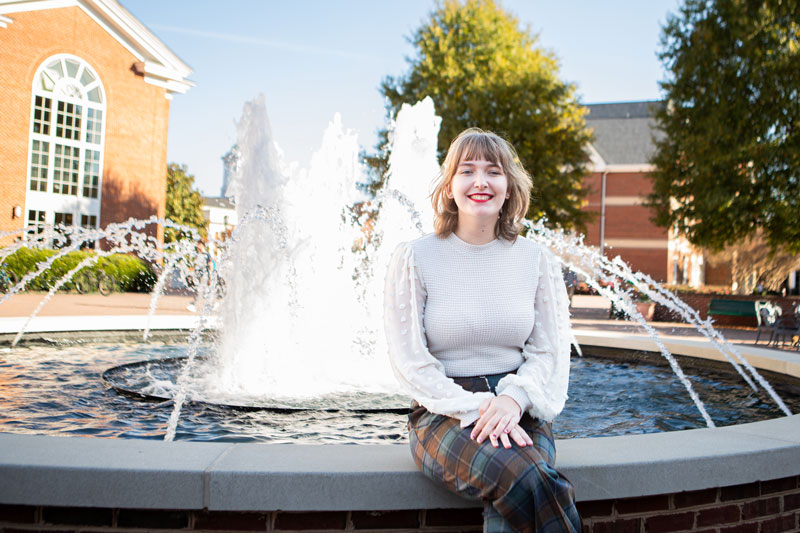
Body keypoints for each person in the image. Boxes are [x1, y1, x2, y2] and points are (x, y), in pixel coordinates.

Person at [384, 128, 580, 532]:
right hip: (444, 414)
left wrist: (512, 400)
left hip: (519, 410)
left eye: (493, 171)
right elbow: (410, 364)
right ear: (450, 186)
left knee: (519, 481)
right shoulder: (415, 257)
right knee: (527, 476)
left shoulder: (535, 259)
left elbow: (549, 352)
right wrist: (478, 409)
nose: (480, 182)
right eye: (467, 170)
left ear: (508, 188)